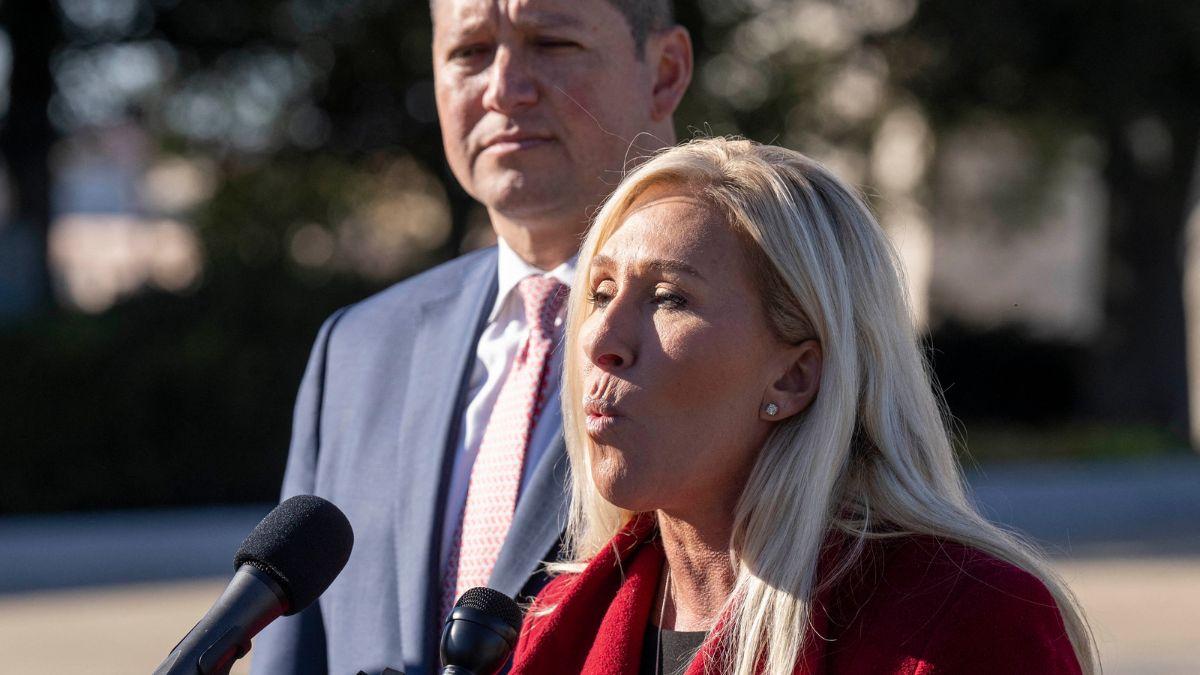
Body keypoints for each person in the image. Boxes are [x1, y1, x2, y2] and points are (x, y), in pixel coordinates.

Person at [510, 138, 1097, 675]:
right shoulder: (554, 623)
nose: (598, 339)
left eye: (668, 298)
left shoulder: (970, 619)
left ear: (794, 377)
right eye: (601, 292)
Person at [249, 1, 692, 674]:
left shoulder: (755, 336)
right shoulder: (358, 348)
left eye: (551, 42)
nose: (503, 86)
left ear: (664, 72)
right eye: (469, 51)